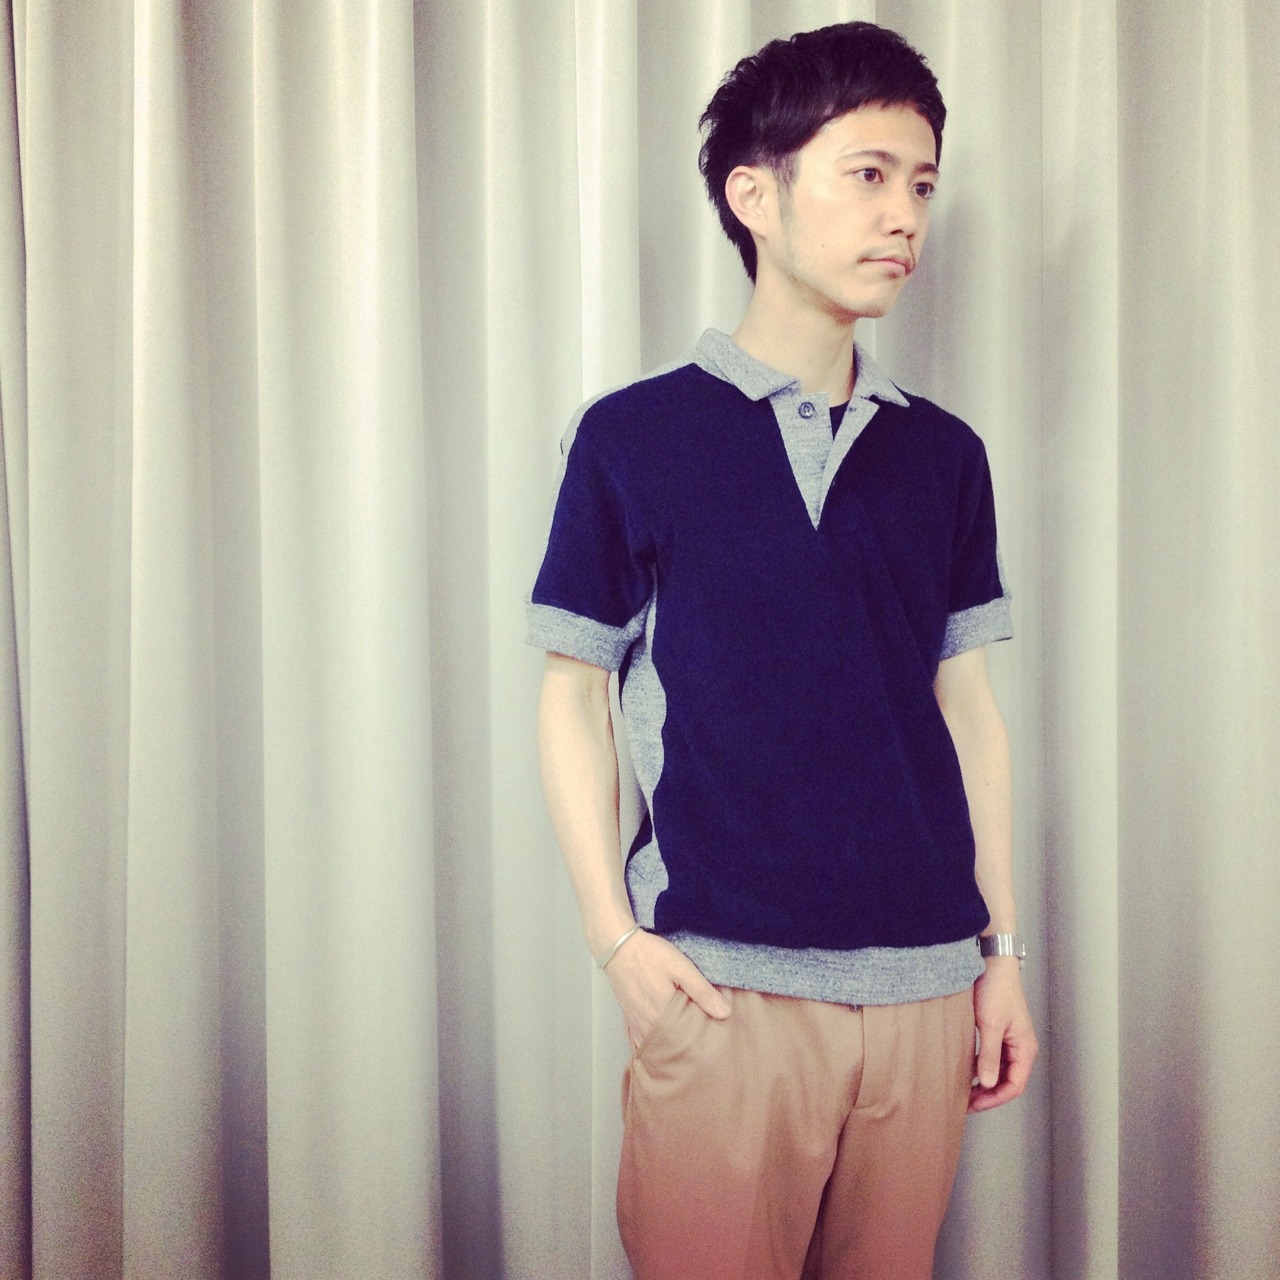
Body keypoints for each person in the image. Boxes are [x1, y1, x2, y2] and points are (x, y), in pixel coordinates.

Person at [526, 20, 1037, 1280]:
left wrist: (998, 955)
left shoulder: (943, 455)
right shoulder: (633, 436)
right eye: (866, 174)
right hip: (723, 990)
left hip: (924, 992)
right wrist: (614, 939)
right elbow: (572, 695)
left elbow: (965, 709)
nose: (903, 215)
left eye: (920, 183)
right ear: (754, 195)